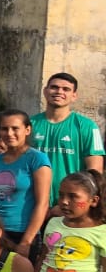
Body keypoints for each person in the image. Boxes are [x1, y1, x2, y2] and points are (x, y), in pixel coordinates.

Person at [0, 110, 51, 257]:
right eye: (4, 129)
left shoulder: (37, 159)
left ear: (27, 130)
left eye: (15, 128)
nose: (9, 133)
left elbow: (42, 204)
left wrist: (26, 242)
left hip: (23, 233)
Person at [29, 72, 105, 208]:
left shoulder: (87, 126)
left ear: (74, 96)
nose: (59, 92)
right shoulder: (30, 124)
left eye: (66, 89)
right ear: (45, 91)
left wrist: (69, 203)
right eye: (54, 87)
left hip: (69, 206)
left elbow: (95, 171)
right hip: (30, 203)